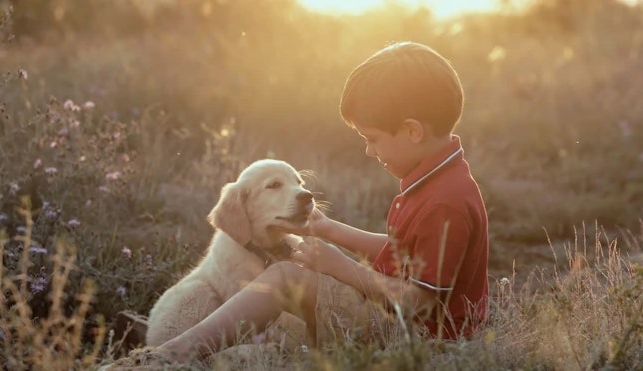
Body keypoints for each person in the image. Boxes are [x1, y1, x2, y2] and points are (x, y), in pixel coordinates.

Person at [131, 41, 489, 365]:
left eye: (373, 139)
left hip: (422, 339)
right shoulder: (436, 181)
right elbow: (405, 251)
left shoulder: (446, 202)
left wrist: (341, 267)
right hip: (402, 318)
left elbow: (422, 302)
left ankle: (167, 358)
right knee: (293, 286)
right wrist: (329, 229)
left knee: (286, 278)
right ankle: (184, 344)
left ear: (412, 131)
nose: (369, 150)